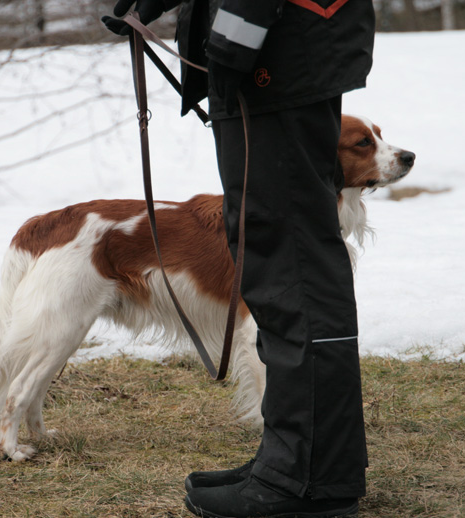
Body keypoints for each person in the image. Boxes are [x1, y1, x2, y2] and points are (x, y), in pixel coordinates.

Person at [103, 1, 375, 516]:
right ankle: (292, 460)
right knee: (272, 269)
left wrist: (231, 43)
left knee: (293, 267)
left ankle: (309, 480)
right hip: (265, 67)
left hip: (276, 61)